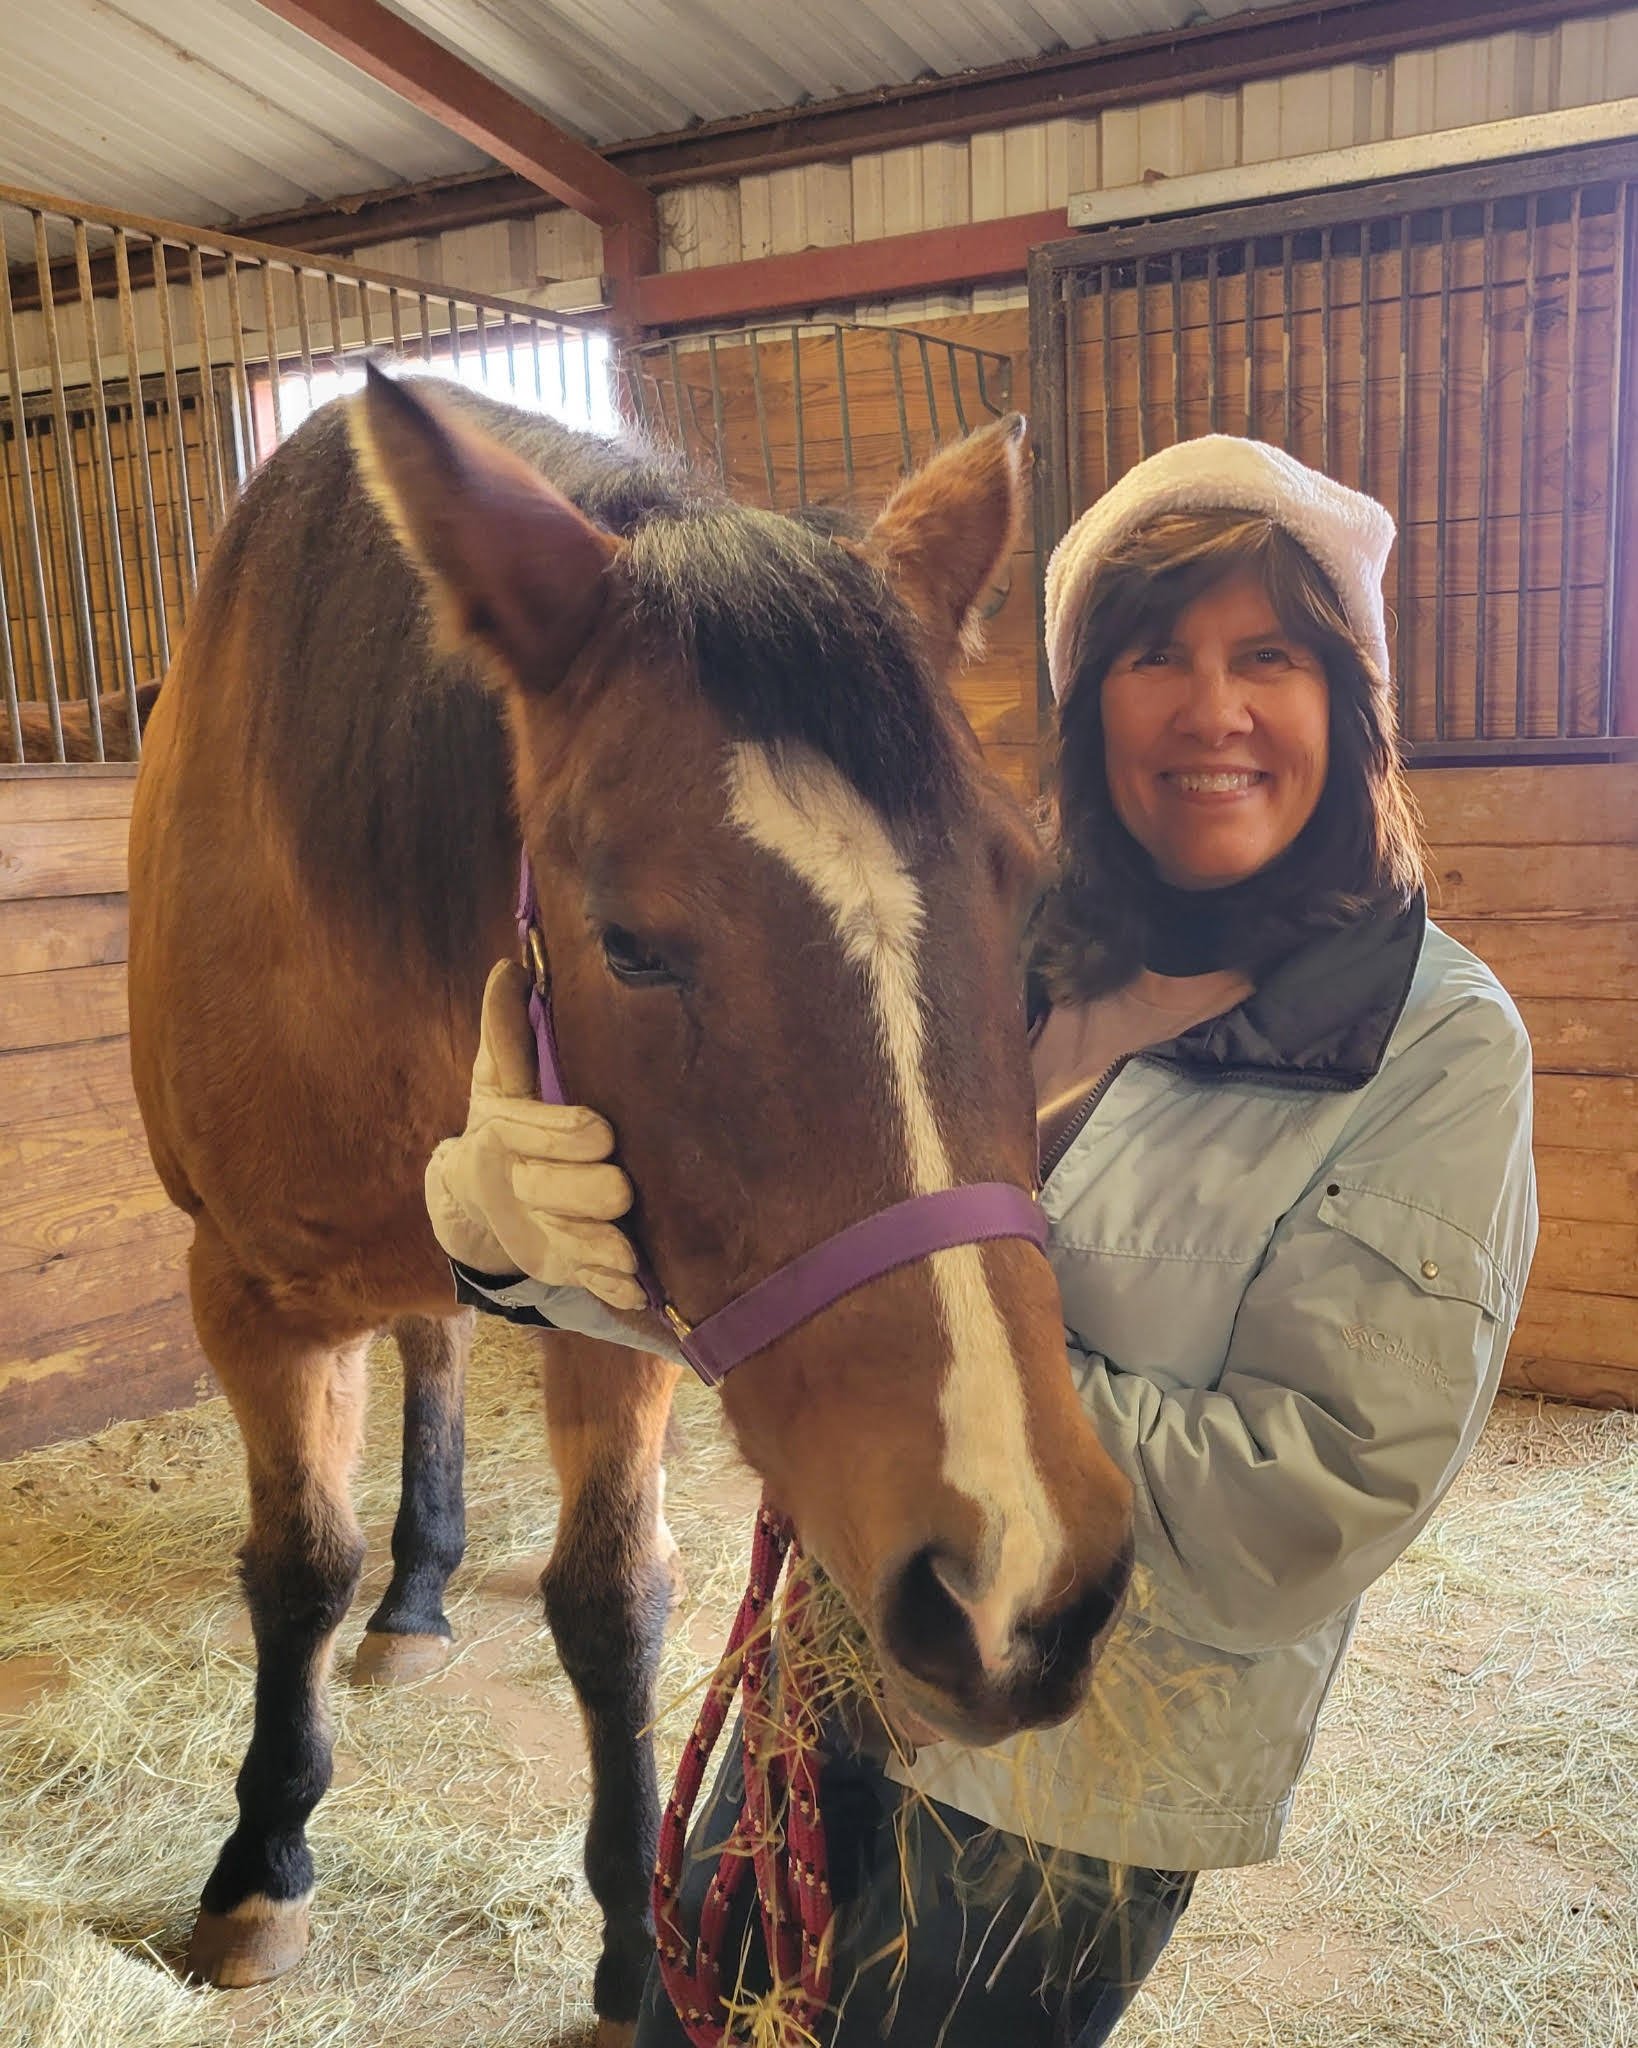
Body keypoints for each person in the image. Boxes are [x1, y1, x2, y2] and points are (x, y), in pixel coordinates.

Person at [426, 435, 1538, 2045]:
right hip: (836, 1657)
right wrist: (496, 1228)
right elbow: (784, 1257)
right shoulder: (981, 951)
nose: (1210, 709)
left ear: (1347, 702)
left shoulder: (1434, 1042)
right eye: (1152, 654)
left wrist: (929, 1415)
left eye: (1270, 658)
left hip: (1079, 1760)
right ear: (1085, 704)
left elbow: (1323, 1484)